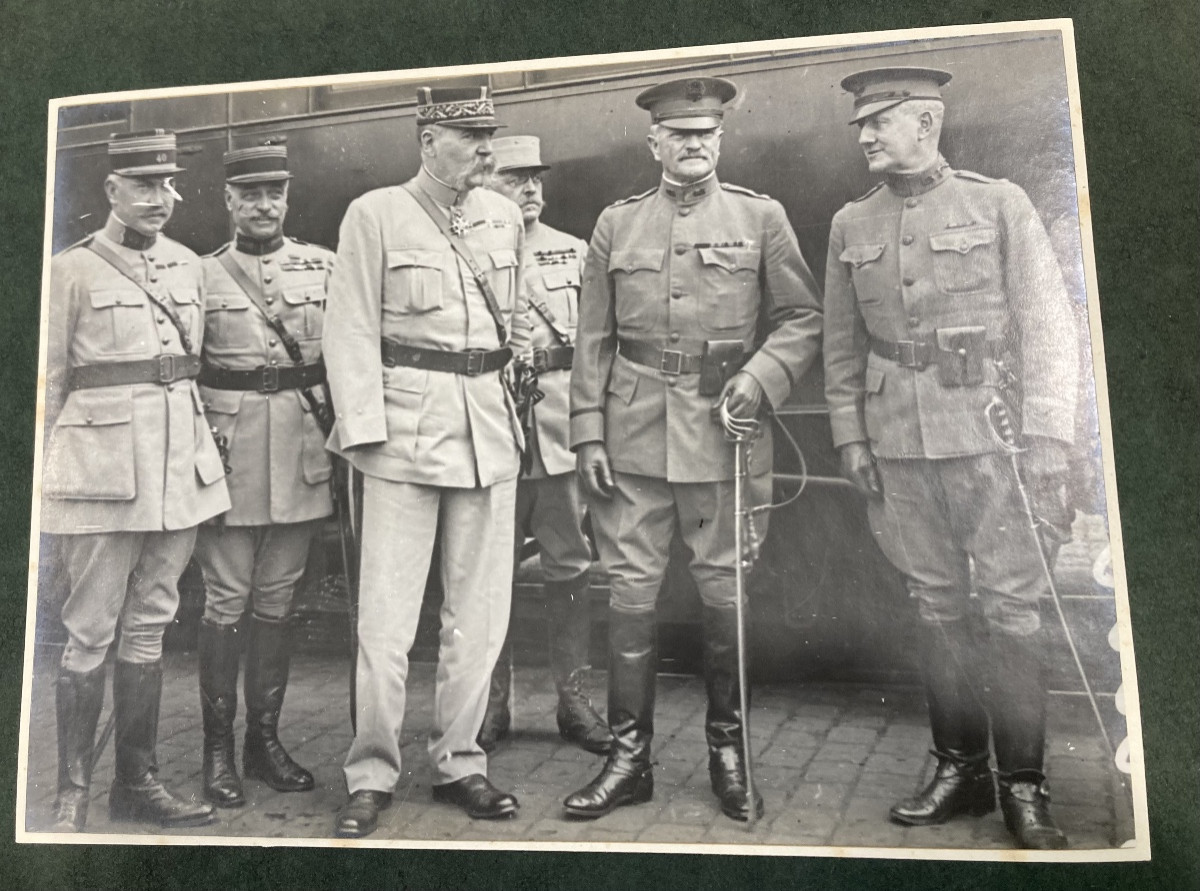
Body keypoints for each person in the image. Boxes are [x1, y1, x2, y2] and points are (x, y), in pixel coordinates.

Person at [822, 67, 1078, 849]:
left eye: (881, 120)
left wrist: (1047, 439)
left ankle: (1024, 787)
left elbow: (1049, 325)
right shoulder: (849, 224)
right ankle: (958, 769)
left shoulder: (998, 202)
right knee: (935, 604)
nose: (865, 133)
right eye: (860, 122)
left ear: (926, 122)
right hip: (898, 443)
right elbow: (841, 345)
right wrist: (851, 437)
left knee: (1010, 608)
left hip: (989, 439)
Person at [564, 77, 823, 822]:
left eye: (705, 133)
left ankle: (728, 755)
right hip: (633, 436)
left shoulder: (760, 217)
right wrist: (587, 432)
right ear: (654, 142)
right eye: (679, 134)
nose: (693, 145)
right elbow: (594, 341)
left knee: (725, 597)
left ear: (721, 138)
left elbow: (803, 317)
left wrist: (760, 376)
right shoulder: (617, 225)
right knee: (630, 596)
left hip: (724, 434)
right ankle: (628, 758)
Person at [322, 86, 529, 838]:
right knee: (385, 620)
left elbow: (516, 323)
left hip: (487, 430)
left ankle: (460, 762)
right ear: (426, 140)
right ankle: (371, 772)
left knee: (477, 617)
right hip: (403, 435)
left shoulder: (503, 216)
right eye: (469, 136)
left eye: (489, 135)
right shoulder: (375, 214)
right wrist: (366, 433)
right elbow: (347, 330)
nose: (485, 148)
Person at [41, 130, 230, 831]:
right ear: (112, 190)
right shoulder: (71, 271)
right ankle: (70, 794)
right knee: (88, 630)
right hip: (99, 477)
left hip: (177, 474)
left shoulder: (188, 266)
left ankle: (137, 782)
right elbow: (47, 384)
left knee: (149, 626)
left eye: (170, 184)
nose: (162, 197)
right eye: (145, 185)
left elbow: (191, 372)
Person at [192, 143, 335, 808]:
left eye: (272, 192)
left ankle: (264, 742)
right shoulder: (200, 275)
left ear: (286, 196)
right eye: (248, 194)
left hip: (302, 454)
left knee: (277, 601)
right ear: (228, 200)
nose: (261, 205)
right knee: (226, 601)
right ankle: (217, 751)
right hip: (231, 455)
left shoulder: (323, 266)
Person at [475, 135, 611, 756]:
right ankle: (489, 704)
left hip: (556, 433)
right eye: (513, 178)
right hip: (494, 433)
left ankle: (575, 701)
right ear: (483, 186)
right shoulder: (469, 253)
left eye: (536, 178)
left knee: (571, 565)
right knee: (486, 571)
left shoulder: (573, 253)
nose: (529, 189)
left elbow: (597, 349)